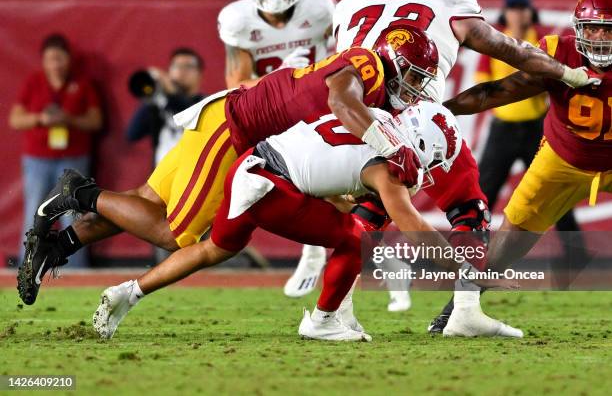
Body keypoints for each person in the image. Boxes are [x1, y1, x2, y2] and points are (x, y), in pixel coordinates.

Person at [17, 26, 437, 306]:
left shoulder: (371, 92)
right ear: (395, 59)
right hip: (234, 132)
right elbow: (340, 100)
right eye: (416, 76)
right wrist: (390, 146)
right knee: (175, 234)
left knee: (144, 204)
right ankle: (78, 192)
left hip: (230, 121)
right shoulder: (369, 69)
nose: (417, 88)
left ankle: (62, 243)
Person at [92, 102, 521, 341]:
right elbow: (410, 222)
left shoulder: (373, 116)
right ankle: (322, 321)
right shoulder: (391, 164)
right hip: (272, 185)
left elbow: (323, 160)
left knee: (211, 249)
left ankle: (129, 291)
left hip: (251, 167)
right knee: (356, 240)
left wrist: (340, 196)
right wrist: (458, 269)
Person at [332, 0, 600, 336]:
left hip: (352, 116)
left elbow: (335, 71)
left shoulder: (349, 3)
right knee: (469, 210)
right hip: (417, 118)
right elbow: (504, 51)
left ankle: (331, 311)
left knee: (368, 209)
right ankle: (464, 310)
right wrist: (568, 73)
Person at [436, 0, 612, 336]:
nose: (601, 38)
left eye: (608, 30)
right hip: (564, 159)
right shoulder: (558, 54)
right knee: (509, 238)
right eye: (593, 29)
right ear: (579, 28)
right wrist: (442, 109)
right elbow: (496, 91)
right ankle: (457, 309)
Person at [218, 0, 335, 292]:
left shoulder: (319, 4)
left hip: (322, 100)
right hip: (272, 108)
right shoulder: (238, 19)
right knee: (287, 179)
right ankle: (315, 246)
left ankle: (329, 249)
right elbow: (237, 84)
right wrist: (283, 76)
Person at [9, 34, 102, 269]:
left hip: (73, 159)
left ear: (68, 60)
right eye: (51, 59)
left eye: (60, 58)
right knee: (34, 212)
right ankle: (28, 267)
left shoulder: (82, 84)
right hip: (37, 159)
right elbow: (15, 119)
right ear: (43, 61)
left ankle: (76, 270)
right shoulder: (34, 82)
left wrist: (68, 119)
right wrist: (41, 118)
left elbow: (95, 121)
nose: (56, 64)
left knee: (73, 213)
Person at [218, 0, 335, 89]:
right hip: (269, 100)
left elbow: (347, 53)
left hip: (317, 90)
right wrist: (278, 76)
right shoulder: (238, 20)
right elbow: (236, 87)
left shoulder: (320, 5)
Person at [126, 47, 205, 166]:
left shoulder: (205, 103)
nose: (181, 72)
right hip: (161, 179)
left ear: (199, 74)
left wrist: (172, 92)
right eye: (176, 66)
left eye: (188, 67)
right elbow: (132, 134)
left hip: (191, 176)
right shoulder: (160, 103)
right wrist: (150, 97)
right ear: (169, 71)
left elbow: (188, 112)